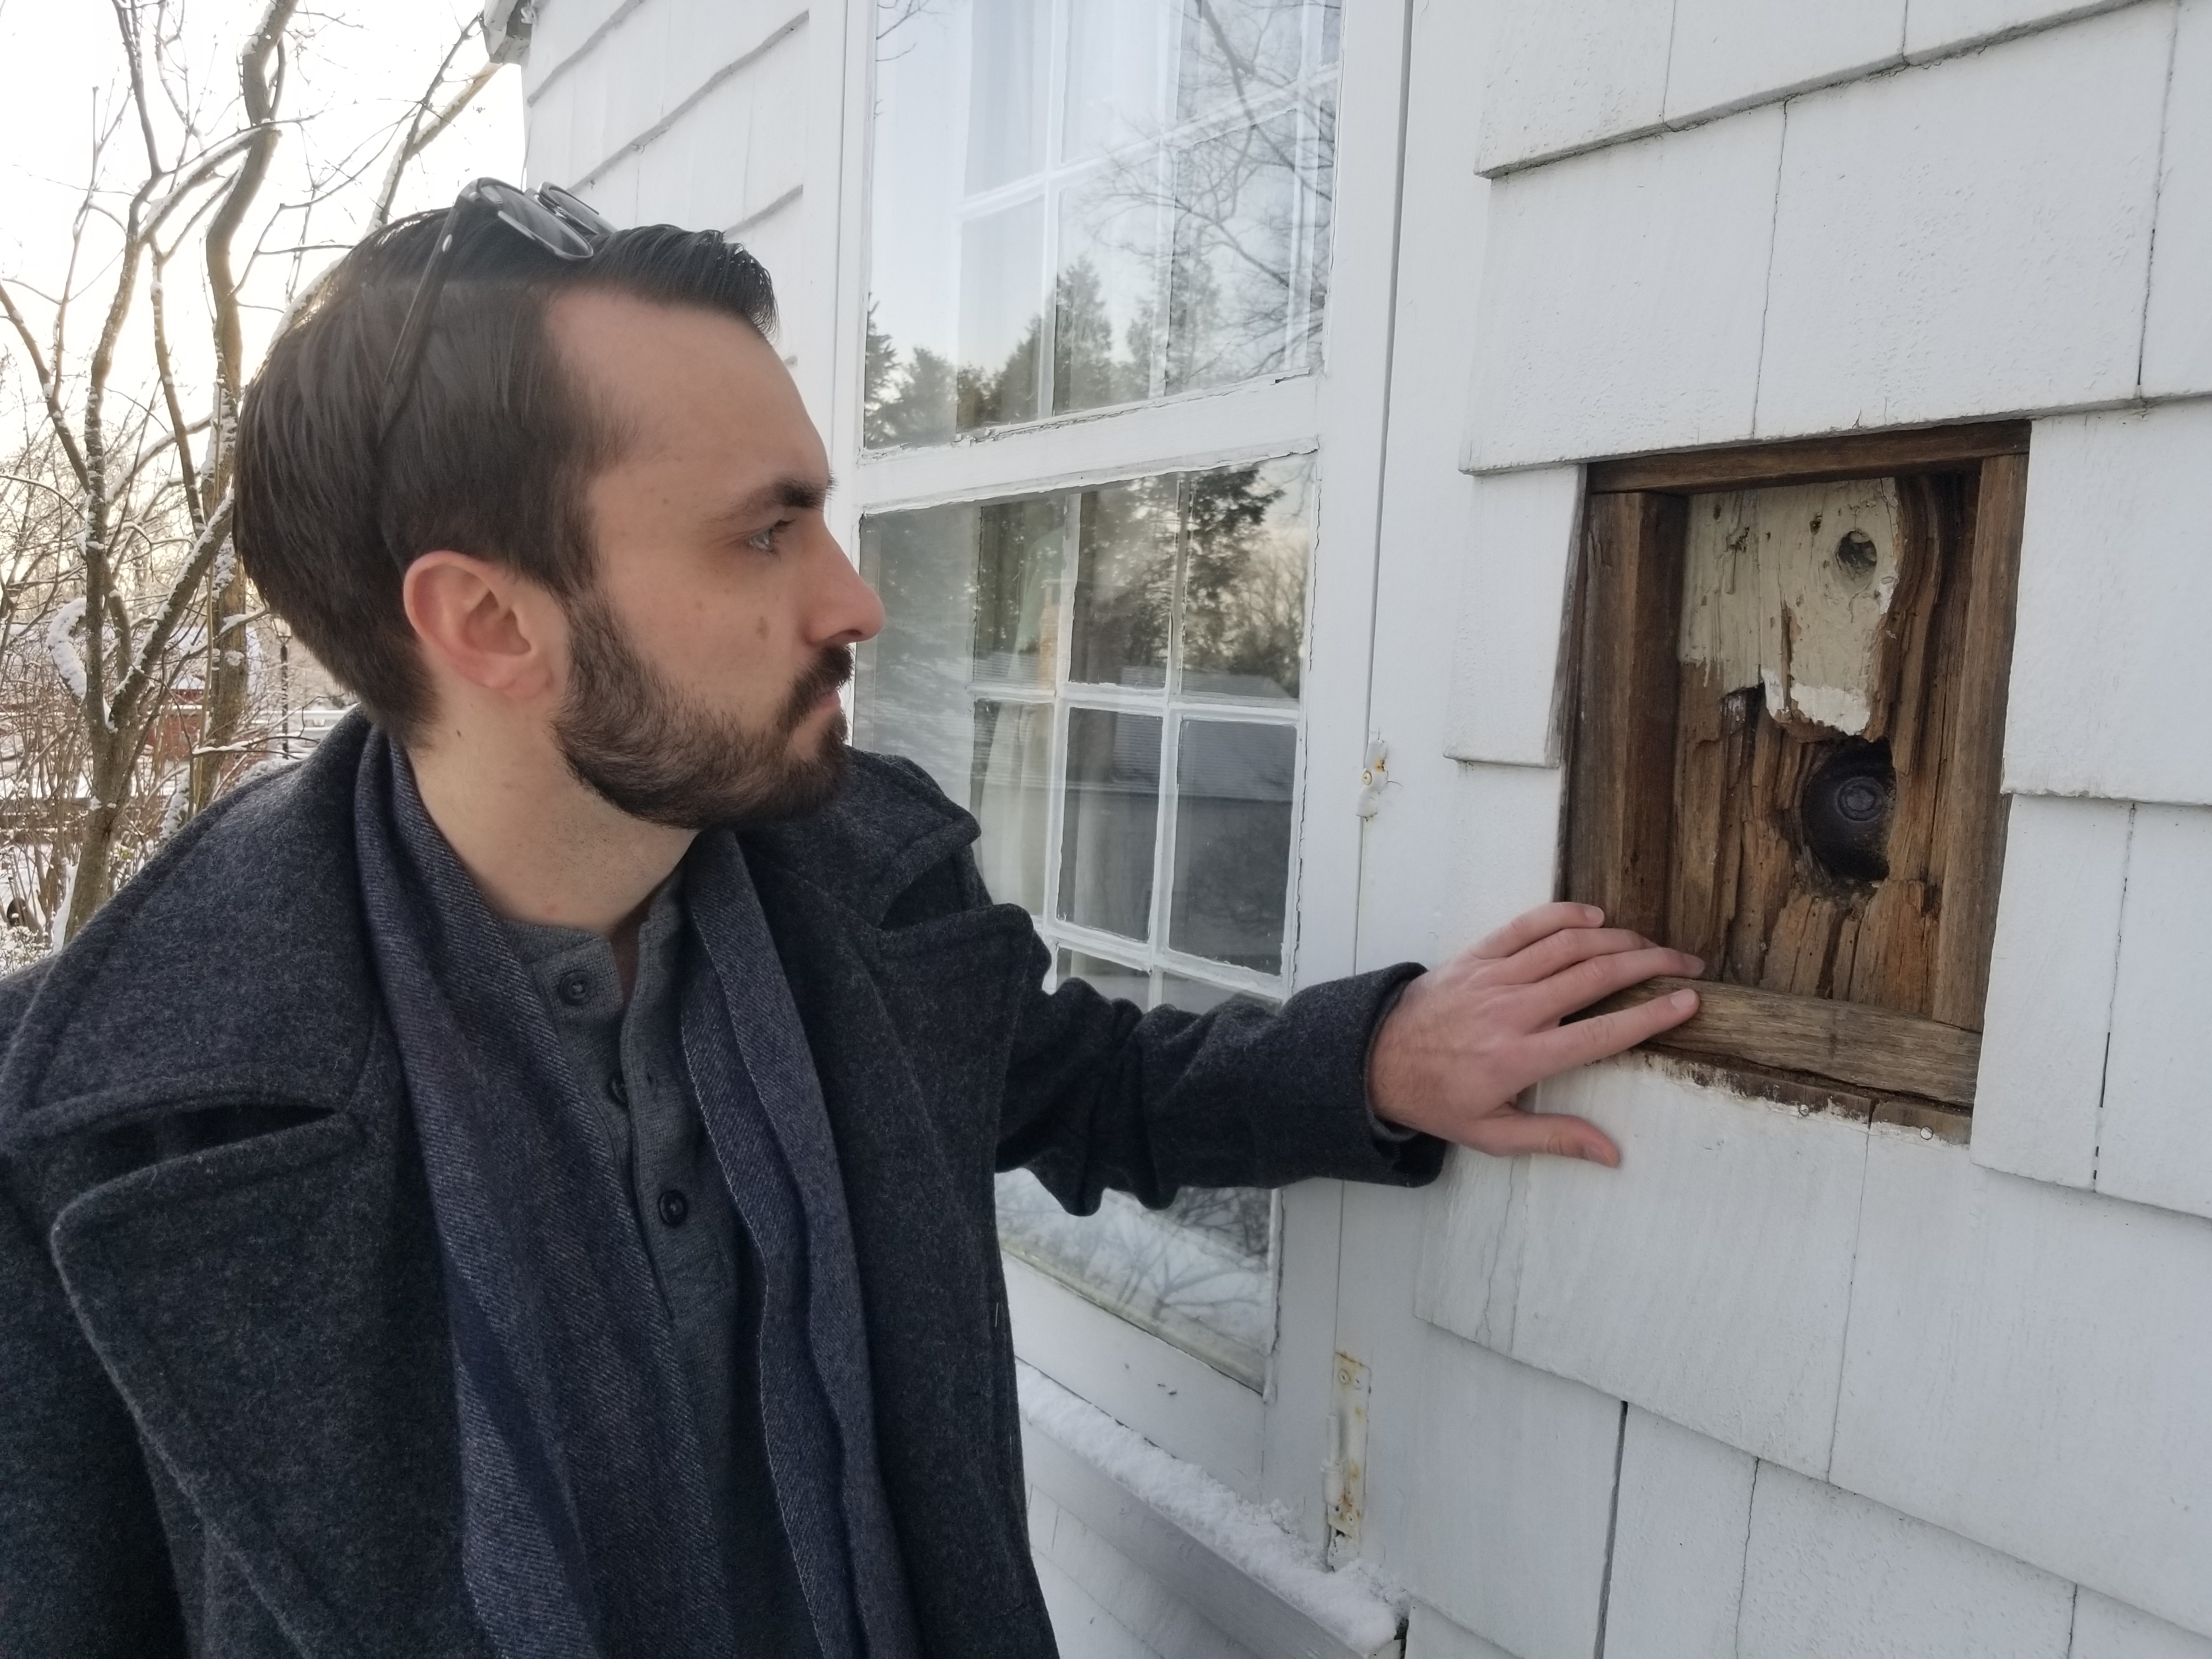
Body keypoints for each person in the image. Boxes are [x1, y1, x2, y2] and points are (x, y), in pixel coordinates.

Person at [0, 182, 1701, 1659]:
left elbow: (1076, 1084)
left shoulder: (859, 897)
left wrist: (1376, 1061)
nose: (856, 600)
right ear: (491, 624)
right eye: (765, 535)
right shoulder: (99, 1132)